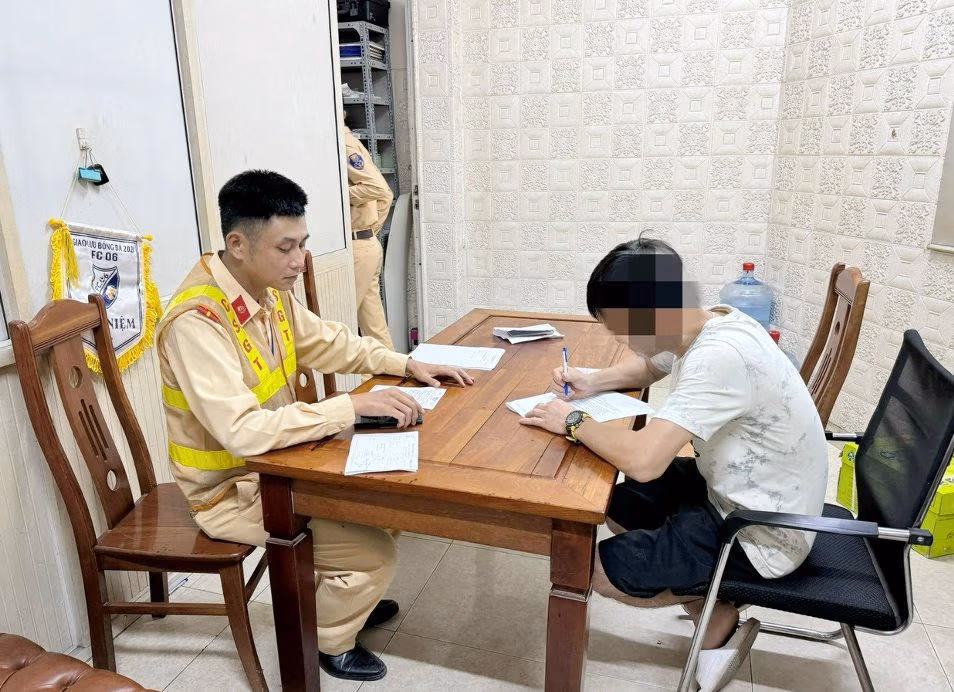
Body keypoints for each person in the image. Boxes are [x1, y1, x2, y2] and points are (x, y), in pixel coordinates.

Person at [155, 169, 473, 682]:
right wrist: (349, 408)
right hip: (231, 489)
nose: (300, 260)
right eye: (286, 247)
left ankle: (348, 598)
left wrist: (406, 363)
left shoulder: (264, 290)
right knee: (375, 553)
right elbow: (242, 432)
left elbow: (329, 343)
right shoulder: (197, 322)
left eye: (302, 244)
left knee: (389, 501)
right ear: (237, 244)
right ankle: (330, 637)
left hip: (280, 464)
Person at [518, 234, 827, 692]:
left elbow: (645, 461)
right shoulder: (713, 320)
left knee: (593, 569)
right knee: (612, 502)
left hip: (762, 530)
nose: (620, 340)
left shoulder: (718, 357)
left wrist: (573, 420)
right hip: (738, 488)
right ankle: (711, 609)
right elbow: (652, 366)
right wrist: (592, 381)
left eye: (621, 329)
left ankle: (715, 608)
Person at [343, 125, 395, 350]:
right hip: (365, 244)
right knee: (374, 326)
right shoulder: (349, 142)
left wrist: (338, 195)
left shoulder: (344, 144)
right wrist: (370, 231)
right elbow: (386, 196)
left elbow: (379, 189)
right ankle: (391, 368)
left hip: (357, 246)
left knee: (339, 321)